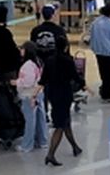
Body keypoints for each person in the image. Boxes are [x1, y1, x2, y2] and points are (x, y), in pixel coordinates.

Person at [36, 29, 84, 166]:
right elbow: (75, 76)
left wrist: (37, 90)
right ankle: (50, 154)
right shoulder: (68, 60)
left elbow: (43, 79)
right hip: (64, 93)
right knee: (60, 125)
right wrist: (83, 84)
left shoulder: (50, 60)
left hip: (52, 93)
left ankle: (75, 147)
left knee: (65, 120)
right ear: (66, 46)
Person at [13, 41, 48, 153]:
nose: (21, 51)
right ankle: (42, 141)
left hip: (29, 95)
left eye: (22, 49)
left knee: (30, 121)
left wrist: (16, 82)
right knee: (40, 119)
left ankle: (27, 145)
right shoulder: (38, 62)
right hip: (39, 93)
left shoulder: (27, 65)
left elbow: (27, 82)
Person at [90, 4, 110, 102]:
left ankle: (105, 90)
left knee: (103, 72)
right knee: (109, 73)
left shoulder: (95, 22)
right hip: (109, 52)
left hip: (98, 51)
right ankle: (107, 94)